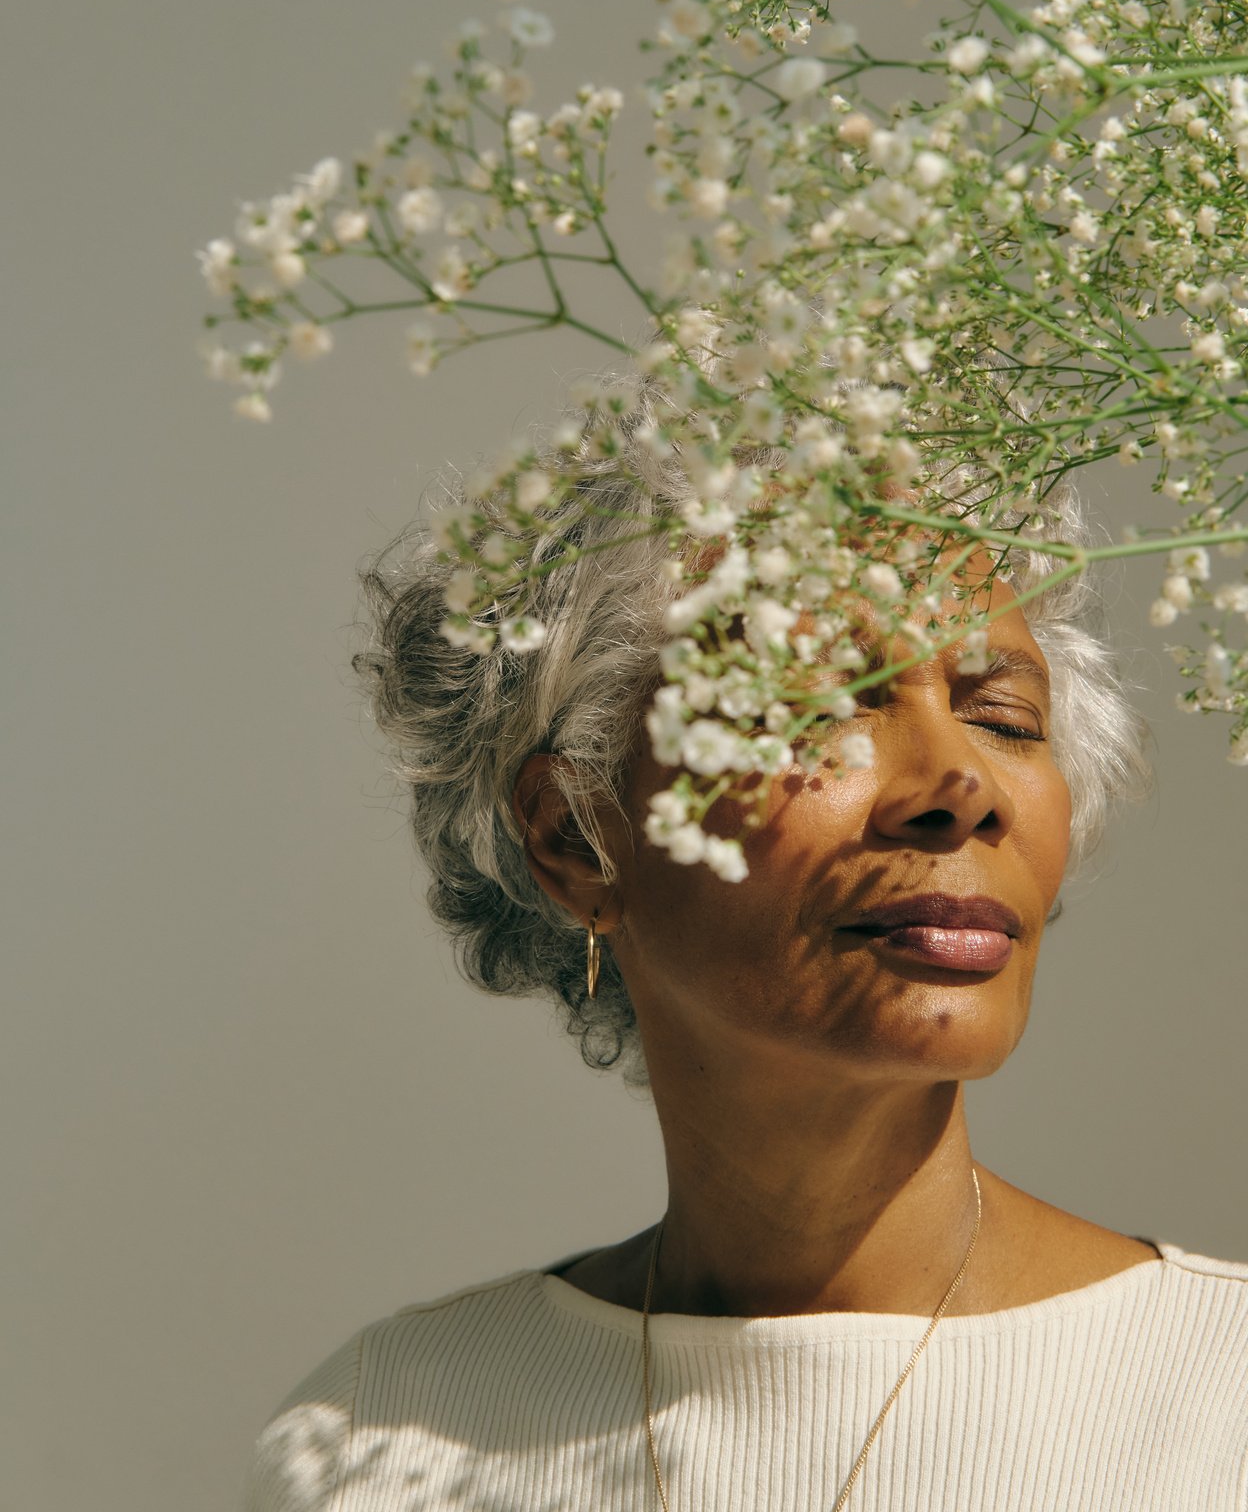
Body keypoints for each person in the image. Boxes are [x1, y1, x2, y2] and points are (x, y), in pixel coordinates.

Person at [244, 378, 1248, 1512]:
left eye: (1006, 720)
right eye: (819, 707)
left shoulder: (1223, 1399)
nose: (958, 786)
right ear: (575, 836)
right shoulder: (381, 1440)